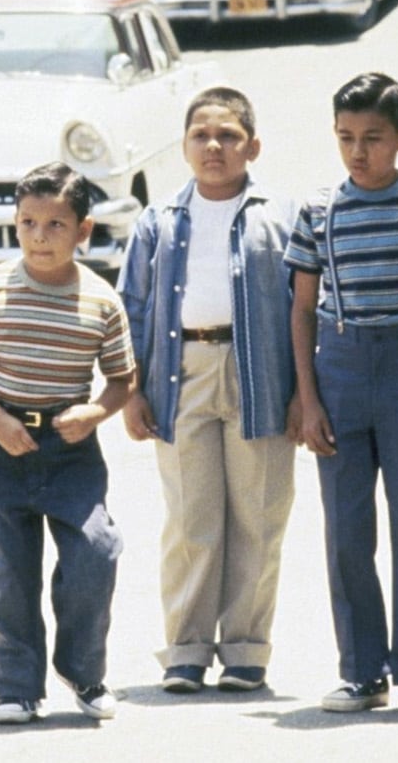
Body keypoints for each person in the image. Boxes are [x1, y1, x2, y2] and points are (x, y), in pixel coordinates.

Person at [287, 73, 398, 718]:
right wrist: (309, 400)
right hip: (339, 367)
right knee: (346, 529)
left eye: (373, 138)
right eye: (346, 138)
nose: (358, 152)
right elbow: (301, 309)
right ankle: (363, 671)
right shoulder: (319, 211)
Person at [118, 87, 298, 694]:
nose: (214, 146)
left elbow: (306, 308)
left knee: (259, 515)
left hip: (260, 376)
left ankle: (246, 649)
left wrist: (303, 394)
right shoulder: (159, 221)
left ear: (253, 146)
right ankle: (186, 650)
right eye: (201, 135)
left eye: (228, 136)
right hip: (182, 373)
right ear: (184, 146)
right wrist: (131, 390)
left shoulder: (280, 216)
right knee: (191, 518)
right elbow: (132, 308)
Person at [0, 162, 135, 725]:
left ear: (83, 231)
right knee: (6, 571)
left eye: (55, 224)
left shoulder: (101, 300)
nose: (39, 236)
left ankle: (83, 672)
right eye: (27, 222)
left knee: (95, 552)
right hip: (1, 445)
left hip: (69, 449)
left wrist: (96, 411)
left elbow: (123, 380)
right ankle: (15, 688)